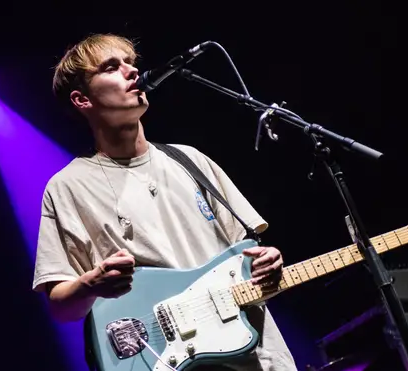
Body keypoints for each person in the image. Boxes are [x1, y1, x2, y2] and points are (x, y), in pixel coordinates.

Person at [32, 33, 297, 371]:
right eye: (112, 67)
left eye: (131, 63)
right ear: (82, 100)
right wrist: (90, 284)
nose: (131, 72)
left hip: (260, 358)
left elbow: (246, 257)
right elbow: (60, 308)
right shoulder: (68, 186)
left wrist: (268, 263)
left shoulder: (191, 161)